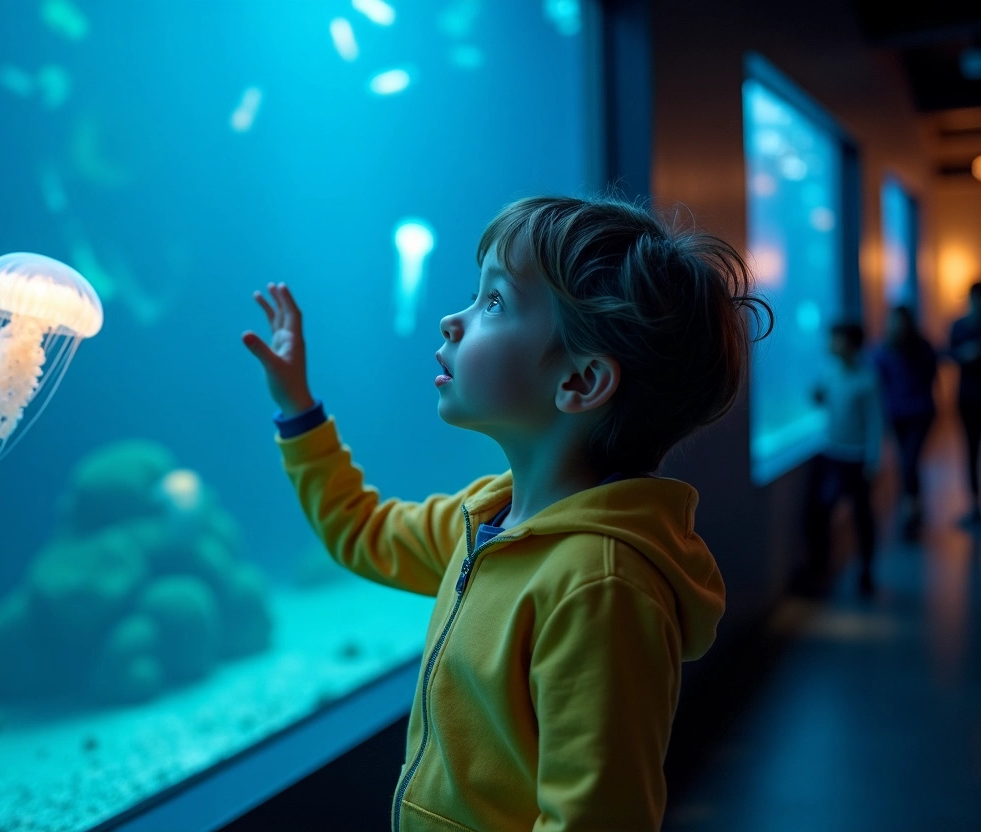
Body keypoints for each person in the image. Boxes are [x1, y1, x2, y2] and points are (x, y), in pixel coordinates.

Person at [241, 195, 773, 831]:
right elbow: (362, 530)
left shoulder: (598, 586)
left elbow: (596, 820)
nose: (451, 320)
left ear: (580, 382)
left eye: (493, 302)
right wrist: (299, 411)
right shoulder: (486, 517)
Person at [801, 322, 884, 597]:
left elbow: (875, 423)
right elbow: (821, 399)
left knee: (862, 516)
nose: (830, 344)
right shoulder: (830, 373)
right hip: (831, 454)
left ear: (849, 343)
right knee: (820, 512)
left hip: (856, 457)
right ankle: (821, 566)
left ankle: (866, 571)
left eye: (835, 339)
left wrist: (873, 461)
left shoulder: (867, 379)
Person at [870, 304, 939, 540]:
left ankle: (910, 513)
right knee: (908, 463)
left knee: (909, 462)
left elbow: (931, 376)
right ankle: (912, 510)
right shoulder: (883, 350)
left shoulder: (921, 347)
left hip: (919, 413)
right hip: (897, 415)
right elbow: (876, 381)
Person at [949, 281, 981, 526]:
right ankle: (975, 504)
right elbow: (947, 354)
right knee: (970, 451)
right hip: (968, 397)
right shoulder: (959, 326)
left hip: (970, 395)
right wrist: (964, 354)